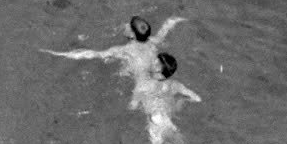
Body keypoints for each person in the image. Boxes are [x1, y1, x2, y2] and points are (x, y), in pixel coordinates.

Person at [42, 15, 184, 102]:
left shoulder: (125, 50)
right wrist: (174, 20)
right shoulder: (152, 42)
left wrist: (60, 54)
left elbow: (93, 54)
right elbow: (166, 28)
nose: (125, 25)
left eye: (129, 26)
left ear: (133, 35)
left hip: (142, 90)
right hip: (158, 84)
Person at [130, 51, 201, 144]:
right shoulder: (175, 85)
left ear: (158, 70)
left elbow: (132, 106)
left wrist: (137, 103)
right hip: (168, 119)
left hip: (156, 120)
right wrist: (182, 102)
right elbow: (197, 98)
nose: (152, 62)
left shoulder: (144, 85)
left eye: (156, 62)